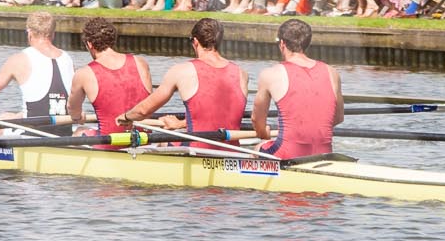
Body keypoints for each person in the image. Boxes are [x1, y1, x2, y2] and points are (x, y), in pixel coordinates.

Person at [119, 16, 248, 135]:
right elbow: (216, 115)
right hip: (233, 153)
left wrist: (125, 117)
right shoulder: (242, 74)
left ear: (195, 42)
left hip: (198, 151)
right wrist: (180, 124)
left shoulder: (181, 71)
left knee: (161, 144)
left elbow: (143, 111)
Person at [252, 18, 344, 158]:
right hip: (325, 153)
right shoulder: (332, 72)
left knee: (257, 148)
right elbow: (338, 118)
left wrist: (263, 133)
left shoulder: (269, 74)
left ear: (282, 44)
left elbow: (256, 120)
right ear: (307, 43)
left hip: (288, 154)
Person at [0, 10, 74, 121]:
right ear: (53, 34)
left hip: (32, 134)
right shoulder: (67, 58)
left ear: (29, 33)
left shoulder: (19, 59)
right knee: (9, 117)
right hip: (65, 131)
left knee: (2, 120)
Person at [66, 16, 154, 139]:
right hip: (143, 140)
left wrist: (78, 117)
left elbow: (73, 110)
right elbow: (150, 103)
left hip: (110, 144)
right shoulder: (140, 62)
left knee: (79, 131)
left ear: (89, 44)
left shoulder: (83, 73)